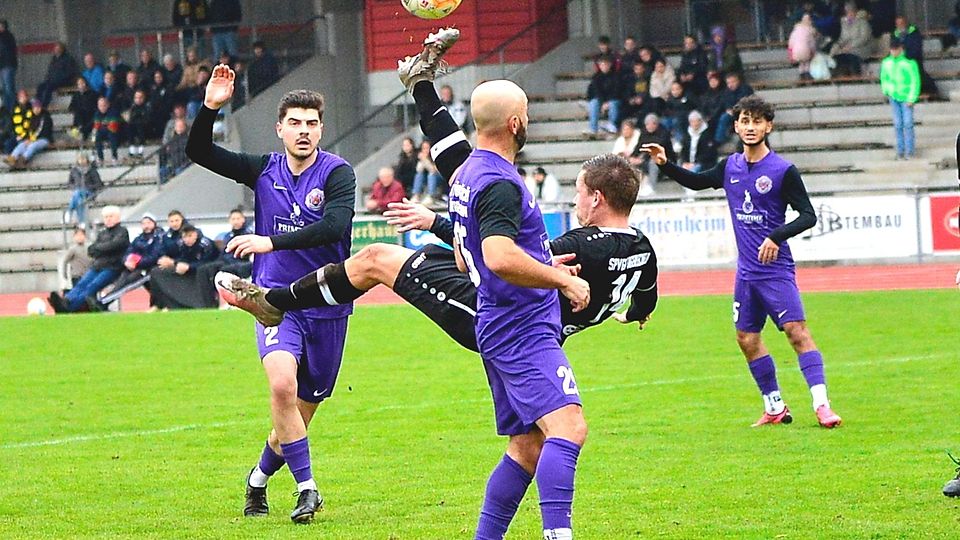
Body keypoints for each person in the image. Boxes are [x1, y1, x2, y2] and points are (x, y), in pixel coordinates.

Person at [186, 64, 358, 523]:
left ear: (321, 128)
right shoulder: (263, 169)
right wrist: (210, 107)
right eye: (295, 123)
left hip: (327, 304)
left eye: (312, 123)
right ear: (280, 128)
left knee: (295, 420)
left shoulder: (338, 174)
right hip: (274, 303)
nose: (304, 131)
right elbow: (197, 149)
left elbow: (334, 227)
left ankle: (257, 481)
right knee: (281, 386)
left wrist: (270, 241)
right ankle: (308, 490)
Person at [642, 94, 843, 429]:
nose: (751, 127)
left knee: (797, 332)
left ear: (769, 125)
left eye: (757, 121)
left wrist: (776, 236)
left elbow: (808, 216)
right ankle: (775, 406)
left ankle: (822, 406)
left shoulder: (782, 170)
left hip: (775, 271)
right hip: (746, 273)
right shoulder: (730, 167)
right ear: (736, 126)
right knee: (746, 338)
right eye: (745, 121)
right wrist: (665, 163)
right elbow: (697, 181)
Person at [49, 205, 130, 313]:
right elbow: (91, 250)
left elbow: (114, 245)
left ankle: (69, 307)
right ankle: (66, 300)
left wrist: (101, 248)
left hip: (112, 267)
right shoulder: (102, 233)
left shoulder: (122, 232)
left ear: (118, 218)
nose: (108, 219)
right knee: (82, 283)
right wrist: (103, 248)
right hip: (97, 265)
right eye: (106, 217)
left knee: (93, 286)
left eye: (111, 216)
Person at [89, 213, 166, 311]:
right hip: (135, 267)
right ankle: (103, 302)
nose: (146, 225)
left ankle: (103, 302)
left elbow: (154, 256)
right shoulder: (139, 239)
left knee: (129, 282)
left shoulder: (159, 237)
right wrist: (126, 261)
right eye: (143, 223)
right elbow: (128, 252)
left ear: (154, 223)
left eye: (148, 222)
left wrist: (137, 263)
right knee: (122, 281)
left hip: (149, 269)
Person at [148, 223, 220, 309]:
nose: (187, 239)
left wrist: (189, 267)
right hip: (190, 267)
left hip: (208, 269)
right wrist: (174, 263)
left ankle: (205, 304)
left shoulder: (205, 244)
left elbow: (206, 261)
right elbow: (182, 258)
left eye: (190, 236)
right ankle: (163, 304)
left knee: (203, 270)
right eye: (185, 237)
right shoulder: (181, 244)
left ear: (195, 234)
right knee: (157, 271)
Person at [879, 40, 919, 161]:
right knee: (898, 124)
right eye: (892, 49)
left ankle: (910, 151)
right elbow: (884, 78)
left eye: (896, 49)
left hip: (906, 96)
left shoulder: (909, 63)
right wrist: (886, 90)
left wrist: (912, 97)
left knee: (907, 124)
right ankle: (900, 151)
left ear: (900, 48)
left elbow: (915, 81)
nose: (894, 51)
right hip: (894, 96)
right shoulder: (886, 62)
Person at [893, 16, 938, 98]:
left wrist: (905, 56)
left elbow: (916, 49)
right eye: (898, 24)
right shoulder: (895, 35)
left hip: (914, 61)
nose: (900, 26)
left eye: (902, 23)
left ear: (906, 23)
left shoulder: (914, 33)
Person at [633, 113, 674, 195]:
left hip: (665, 160)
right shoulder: (644, 132)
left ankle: (651, 187)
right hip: (646, 159)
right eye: (647, 125)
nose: (649, 127)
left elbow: (657, 148)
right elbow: (639, 146)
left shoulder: (664, 133)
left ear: (656, 124)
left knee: (653, 162)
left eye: (651, 124)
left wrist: (642, 159)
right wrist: (633, 157)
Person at [6, 98, 52, 169]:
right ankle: (12, 158)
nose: (36, 109)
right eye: (34, 108)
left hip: (44, 139)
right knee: (22, 144)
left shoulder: (45, 117)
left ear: (40, 108)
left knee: (32, 145)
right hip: (32, 139)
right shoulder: (30, 117)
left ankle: (23, 160)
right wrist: (26, 138)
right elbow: (27, 129)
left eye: (38, 107)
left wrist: (31, 140)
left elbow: (40, 130)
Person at [830, 4, 873, 77]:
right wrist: (837, 45)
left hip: (861, 48)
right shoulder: (845, 24)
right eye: (847, 12)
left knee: (852, 56)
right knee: (837, 56)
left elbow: (864, 38)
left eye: (851, 12)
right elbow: (843, 38)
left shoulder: (863, 23)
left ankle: (856, 76)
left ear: (855, 12)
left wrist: (851, 46)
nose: (849, 14)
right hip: (847, 49)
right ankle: (842, 76)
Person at [585, 55, 622, 137]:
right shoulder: (596, 77)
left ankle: (612, 126)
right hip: (601, 100)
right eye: (602, 64)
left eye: (605, 64)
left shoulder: (616, 76)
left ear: (610, 64)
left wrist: (607, 102)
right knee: (594, 103)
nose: (604, 66)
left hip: (614, 99)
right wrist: (602, 103)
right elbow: (596, 91)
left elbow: (617, 91)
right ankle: (593, 128)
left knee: (612, 104)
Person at [713, 72, 754, 145]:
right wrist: (728, 109)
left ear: (738, 81)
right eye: (728, 83)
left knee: (724, 118)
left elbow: (747, 103)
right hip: (732, 114)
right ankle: (718, 140)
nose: (730, 85)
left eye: (732, 82)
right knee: (721, 117)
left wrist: (735, 110)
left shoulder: (746, 90)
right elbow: (725, 103)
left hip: (745, 112)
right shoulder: (726, 92)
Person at [35, 42, 78, 107]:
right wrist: (48, 79)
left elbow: (70, 73)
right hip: (52, 81)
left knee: (49, 88)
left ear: (62, 49)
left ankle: (44, 106)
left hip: (64, 81)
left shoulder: (68, 59)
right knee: (40, 87)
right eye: (55, 48)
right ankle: (37, 105)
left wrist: (59, 78)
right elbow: (50, 71)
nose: (56, 50)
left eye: (58, 48)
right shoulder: (54, 59)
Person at [66, 153, 103, 224]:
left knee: (78, 193)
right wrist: (75, 187)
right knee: (79, 200)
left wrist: (86, 187)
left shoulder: (92, 170)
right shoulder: (74, 170)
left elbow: (99, 184)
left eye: (83, 159)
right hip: (78, 193)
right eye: (80, 159)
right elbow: (69, 183)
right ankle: (81, 221)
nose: (82, 160)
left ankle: (69, 212)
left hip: (90, 193)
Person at [58, 226, 92, 290]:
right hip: (77, 276)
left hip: (88, 275)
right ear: (74, 237)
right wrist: (64, 274)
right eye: (78, 235)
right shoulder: (72, 249)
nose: (80, 237)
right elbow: (65, 261)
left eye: (81, 235)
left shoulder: (89, 248)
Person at [92, 97, 122, 165]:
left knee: (112, 136)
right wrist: (93, 138)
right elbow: (96, 126)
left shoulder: (113, 112)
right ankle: (100, 158)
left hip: (117, 132)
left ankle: (114, 157)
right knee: (96, 136)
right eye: (100, 106)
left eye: (104, 105)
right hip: (104, 131)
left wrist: (102, 125)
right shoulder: (97, 113)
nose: (102, 107)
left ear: (108, 105)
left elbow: (113, 127)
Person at [159, 117, 191, 181]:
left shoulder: (187, 139)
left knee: (178, 171)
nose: (179, 128)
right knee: (162, 171)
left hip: (183, 165)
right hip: (172, 165)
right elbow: (164, 152)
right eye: (178, 126)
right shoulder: (172, 140)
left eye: (181, 126)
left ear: (185, 127)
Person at [789, 13, 819, 80]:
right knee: (807, 62)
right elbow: (812, 45)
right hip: (805, 51)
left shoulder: (795, 31)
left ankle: (801, 77)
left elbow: (790, 44)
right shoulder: (809, 31)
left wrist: (790, 56)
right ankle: (807, 77)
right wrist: (814, 53)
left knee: (801, 63)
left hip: (795, 52)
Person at [411, 139, 442, 205]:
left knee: (431, 175)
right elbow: (419, 170)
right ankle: (416, 195)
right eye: (423, 148)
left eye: (427, 148)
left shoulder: (435, 157)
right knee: (419, 175)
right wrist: (422, 161)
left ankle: (430, 196)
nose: (425, 150)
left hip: (437, 177)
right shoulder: (421, 157)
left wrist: (426, 161)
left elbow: (433, 170)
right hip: (426, 178)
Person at [68, 76, 98, 141]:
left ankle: (82, 130)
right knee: (78, 113)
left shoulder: (93, 94)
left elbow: (96, 107)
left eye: (83, 83)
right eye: (79, 84)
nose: (81, 85)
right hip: (80, 118)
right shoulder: (76, 95)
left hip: (90, 116)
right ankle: (80, 129)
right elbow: (71, 107)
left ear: (86, 83)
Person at [126, 89, 152, 160]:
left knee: (140, 126)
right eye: (136, 98)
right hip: (134, 126)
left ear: (144, 98)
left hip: (146, 127)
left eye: (140, 97)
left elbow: (147, 119)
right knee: (129, 126)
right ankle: (132, 148)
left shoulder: (147, 106)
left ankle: (141, 149)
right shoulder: (132, 107)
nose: (138, 100)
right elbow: (130, 118)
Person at [0, 19, 17, 110]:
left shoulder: (6, 37)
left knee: (8, 88)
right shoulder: (8, 37)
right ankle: (8, 108)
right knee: (6, 89)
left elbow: (5, 51)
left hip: (7, 65)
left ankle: (11, 107)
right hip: (4, 66)